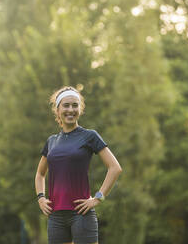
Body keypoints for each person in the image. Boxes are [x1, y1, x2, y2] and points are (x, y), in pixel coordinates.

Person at [35, 86, 123, 244]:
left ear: (80, 109)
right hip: (55, 216)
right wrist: (41, 198)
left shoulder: (89, 136)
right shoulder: (51, 141)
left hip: (81, 213)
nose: (71, 109)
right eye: (66, 105)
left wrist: (98, 198)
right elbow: (40, 174)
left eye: (75, 105)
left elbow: (115, 168)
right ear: (57, 110)